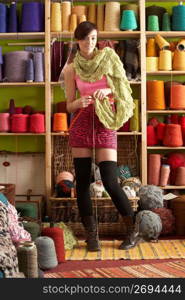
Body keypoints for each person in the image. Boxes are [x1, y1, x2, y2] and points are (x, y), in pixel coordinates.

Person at [64, 21, 139, 252]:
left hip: (105, 119)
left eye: (94, 38)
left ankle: (132, 230)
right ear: (77, 40)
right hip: (82, 122)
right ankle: (91, 236)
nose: (90, 43)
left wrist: (105, 91)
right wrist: (78, 102)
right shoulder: (71, 69)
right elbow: (68, 105)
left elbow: (122, 89)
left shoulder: (109, 58)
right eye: (86, 38)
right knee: (84, 181)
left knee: (109, 179)